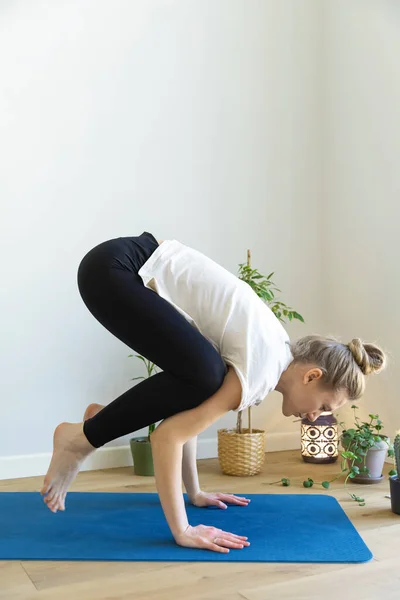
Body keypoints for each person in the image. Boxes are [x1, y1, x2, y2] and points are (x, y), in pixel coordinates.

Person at [40, 231, 387, 554]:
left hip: (114, 265)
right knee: (206, 375)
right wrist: (183, 530)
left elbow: (185, 416)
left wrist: (196, 492)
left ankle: (99, 422)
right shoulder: (262, 368)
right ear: (312, 376)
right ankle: (79, 439)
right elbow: (167, 438)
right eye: (325, 405)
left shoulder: (270, 352)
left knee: (203, 377)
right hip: (118, 270)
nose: (316, 416)